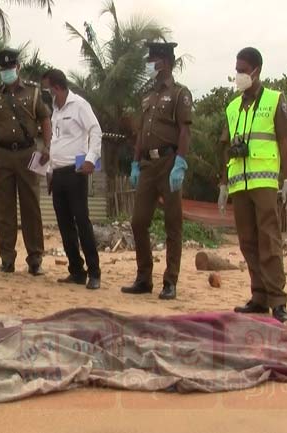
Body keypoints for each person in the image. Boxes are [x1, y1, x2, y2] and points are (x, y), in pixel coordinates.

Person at [218, 47, 287, 323]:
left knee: (269, 240)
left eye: (242, 69)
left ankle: (278, 300)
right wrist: (223, 183)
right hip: (239, 185)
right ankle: (259, 296)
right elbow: (226, 147)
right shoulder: (232, 106)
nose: (238, 74)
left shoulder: (275, 100)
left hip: (264, 183)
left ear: (256, 70)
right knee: (248, 242)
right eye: (236, 69)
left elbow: (285, 142)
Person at [121, 41, 192, 300]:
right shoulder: (147, 96)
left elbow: (184, 130)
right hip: (148, 166)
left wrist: (180, 162)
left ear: (167, 62)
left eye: (154, 59)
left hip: (169, 162)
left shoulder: (179, 94)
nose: (150, 64)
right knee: (138, 221)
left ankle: (170, 281)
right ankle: (144, 277)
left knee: (173, 224)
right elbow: (141, 133)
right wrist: (135, 161)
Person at [0, 47, 52, 275]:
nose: (7, 71)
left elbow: (45, 118)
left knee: (31, 207)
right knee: (5, 209)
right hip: (1, 155)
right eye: (3, 68)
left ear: (18, 67)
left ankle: (35, 260)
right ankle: (7, 260)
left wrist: (47, 147)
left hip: (29, 153)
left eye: (10, 67)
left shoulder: (33, 91)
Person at [41, 68, 102, 290]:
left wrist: (91, 158)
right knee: (64, 224)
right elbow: (55, 143)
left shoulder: (79, 105)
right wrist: (49, 171)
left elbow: (96, 131)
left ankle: (94, 272)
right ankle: (76, 270)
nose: (47, 93)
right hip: (57, 172)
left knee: (82, 221)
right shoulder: (55, 110)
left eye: (48, 89)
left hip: (76, 171)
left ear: (57, 87)